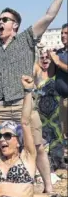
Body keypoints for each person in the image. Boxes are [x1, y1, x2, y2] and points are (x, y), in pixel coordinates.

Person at [0, 0, 67, 190]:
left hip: (23, 104)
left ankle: (48, 187)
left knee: (37, 146)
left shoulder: (27, 38)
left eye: (5, 20)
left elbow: (49, 16)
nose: (0, 22)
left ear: (15, 25)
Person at [34, 49, 63, 178]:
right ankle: (45, 168)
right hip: (40, 115)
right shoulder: (37, 75)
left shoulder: (57, 74)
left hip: (56, 114)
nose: (45, 59)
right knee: (42, 141)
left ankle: (56, 165)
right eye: (42, 57)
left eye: (47, 57)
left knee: (56, 139)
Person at [51, 23, 68, 159]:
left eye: (66, 33)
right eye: (62, 33)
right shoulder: (59, 53)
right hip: (62, 99)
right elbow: (51, 73)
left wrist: (58, 62)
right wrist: (51, 59)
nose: (63, 36)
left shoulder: (60, 58)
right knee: (64, 132)